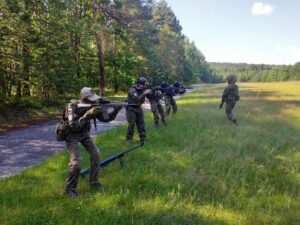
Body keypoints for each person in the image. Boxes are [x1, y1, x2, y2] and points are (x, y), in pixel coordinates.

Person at [63, 87, 122, 197]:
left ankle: (94, 183)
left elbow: (106, 119)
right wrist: (89, 114)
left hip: (84, 134)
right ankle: (69, 189)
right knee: (76, 161)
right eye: (91, 99)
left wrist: (115, 110)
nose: (93, 101)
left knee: (96, 154)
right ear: (84, 99)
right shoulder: (71, 106)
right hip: (72, 135)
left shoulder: (96, 105)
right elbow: (73, 126)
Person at [126, 77, 152, 143]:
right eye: (143, 84)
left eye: (144, 84)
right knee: (131, 124)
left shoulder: (142, 89)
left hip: (139, 108)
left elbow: (149, 97)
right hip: (131, 108)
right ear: (138, 84)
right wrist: (145, 93)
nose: (144, 86)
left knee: (141, 123)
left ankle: (143, 138)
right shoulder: (132, 90)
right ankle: (129, 139)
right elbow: (136, 99)